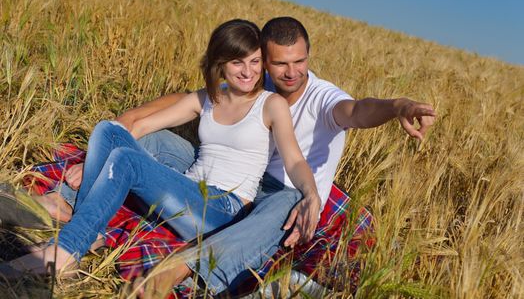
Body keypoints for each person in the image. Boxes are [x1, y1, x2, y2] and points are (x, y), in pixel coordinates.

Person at [128, 16, 437, 297]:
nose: (291, 73)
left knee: (289, 203)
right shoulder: (253, 82)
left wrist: (398, 107)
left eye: (299, 61)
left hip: (282, 196)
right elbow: (196, 99)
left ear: (308, 56)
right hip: (234, 177)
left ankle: (185, 267)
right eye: (279, 64)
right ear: (264, 60)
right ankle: (78, 200)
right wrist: (128, 124)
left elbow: (357, 111)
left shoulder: (322, 97)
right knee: (153, 141)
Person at [0, 19, 321, 277]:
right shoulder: (209, 97)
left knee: (126, 160)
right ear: (220, 64)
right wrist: (93, 164)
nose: (249, 72)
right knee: (109, 130)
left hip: (221, 209)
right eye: (238, 62)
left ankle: (66, 251)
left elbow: (294, 161)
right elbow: (139, 126)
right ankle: (88, 230)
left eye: (255, 62)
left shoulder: (271, 105)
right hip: (188, 189)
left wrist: (312, 195)